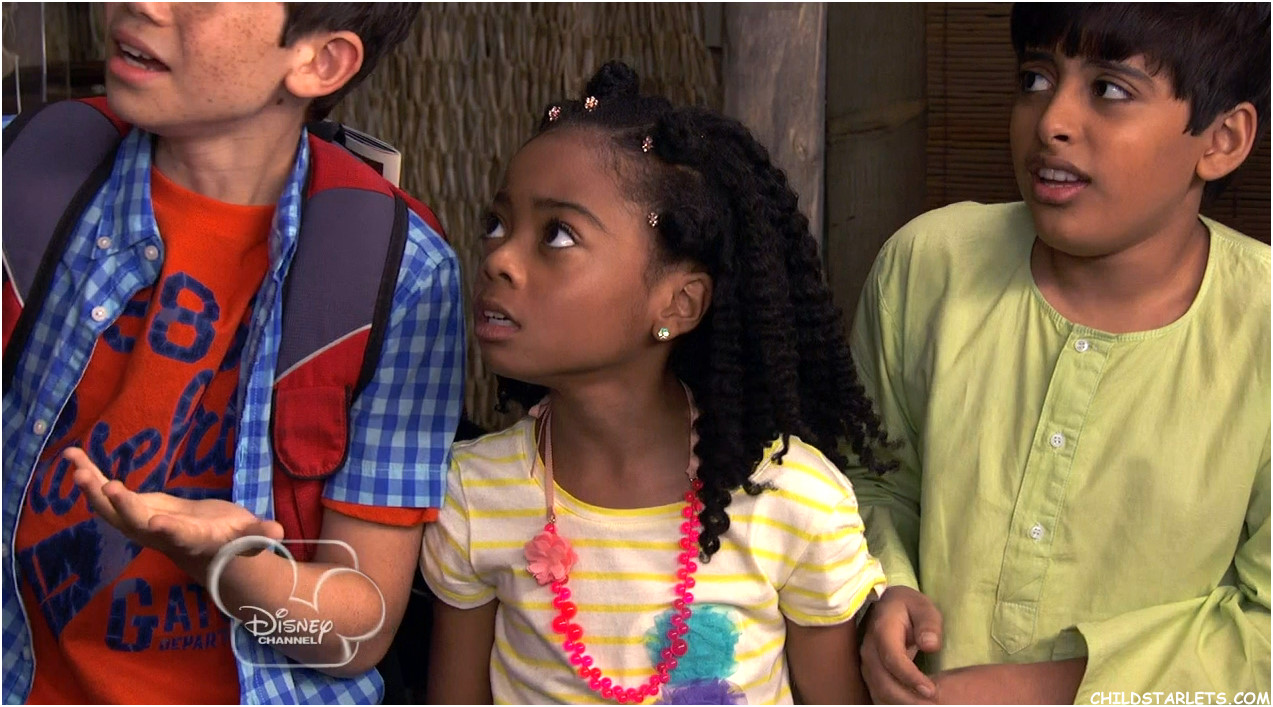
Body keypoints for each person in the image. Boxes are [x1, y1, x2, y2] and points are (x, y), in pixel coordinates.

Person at [2, 3, 465, 704]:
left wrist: (227, 566)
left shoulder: (399, 273)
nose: (143, 4)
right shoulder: (22, 174)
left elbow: (354, 637)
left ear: (319, 62)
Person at [420, 61, 893, 705]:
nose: (499, 258)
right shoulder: (476, 496)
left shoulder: (792, 501)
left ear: (678, 303)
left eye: (557, 234)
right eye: (497, 225)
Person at [848, 3, 1270, 703]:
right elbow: (871, 481)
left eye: (1109, 89)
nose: (1051, 121)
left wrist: (1031, 689)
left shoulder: (1261, 327)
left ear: (1221, 139)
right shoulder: (927, 266)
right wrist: (883, 590)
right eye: (1035, 79)